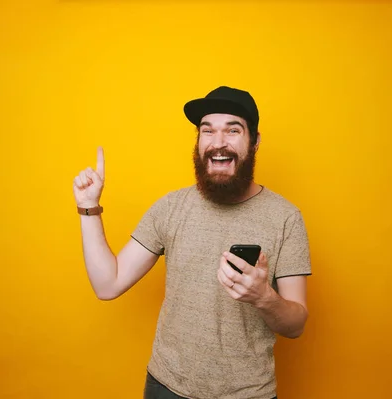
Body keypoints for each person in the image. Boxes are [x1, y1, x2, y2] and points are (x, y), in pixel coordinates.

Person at [73, 86, 312, 399]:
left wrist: (263, 296)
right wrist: (88, 208)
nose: (218, 142)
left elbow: (296, 325)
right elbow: (108, 285)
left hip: (247, 394)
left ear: (254, 141)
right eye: (207, 130)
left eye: (233, 130)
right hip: (166, 387)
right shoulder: (171, 207)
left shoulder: (285, 218)